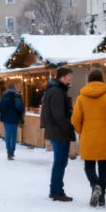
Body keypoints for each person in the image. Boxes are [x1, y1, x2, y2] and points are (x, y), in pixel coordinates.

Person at [72, 69, 106, 208]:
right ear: (102, 80)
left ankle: (95, 185)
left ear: (88, 80)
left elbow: (75, 120)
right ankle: (102, 196)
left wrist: (82, 131)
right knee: (103, 167)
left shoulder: (81, 98)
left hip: (88, 137)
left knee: (88, 166)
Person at [40, 67, 75, 202]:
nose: (71, 79)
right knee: (60, 162)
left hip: (57, 131)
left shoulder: (57, 90)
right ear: (62, 77)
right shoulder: (56, 91)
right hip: (59, 132)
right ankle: (56, 191)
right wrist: (68, 127)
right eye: (69, 76)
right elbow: (58, 115)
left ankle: (55, 189)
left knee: (60, 162)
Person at [0, 84, 24, 159]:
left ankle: (8, 152)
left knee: (8, 135)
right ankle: (12, 151)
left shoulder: (4, 97)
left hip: (6, 119)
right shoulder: (17, 97)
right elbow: (21, 108)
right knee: (14, 136)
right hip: (15, 119)